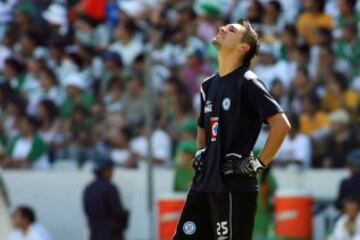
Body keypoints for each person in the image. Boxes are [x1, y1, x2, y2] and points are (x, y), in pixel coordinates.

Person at [173, 19, 291, 240]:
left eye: (231, 30)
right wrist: (201, 152)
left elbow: (281, 124)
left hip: (232, 187)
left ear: (243, 47)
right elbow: (203, 126)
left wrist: (257, 164)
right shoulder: (208, 85)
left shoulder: (248, 82)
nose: (222, 29)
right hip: (203, 185)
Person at [83, 154, 129, 240]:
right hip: (112, 235)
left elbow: (87, 211)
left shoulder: (88, 189)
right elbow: (117, 212)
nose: (112, 172)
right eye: (110, 169)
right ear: (104, 170)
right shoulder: (110, 188)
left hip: (94, 234)